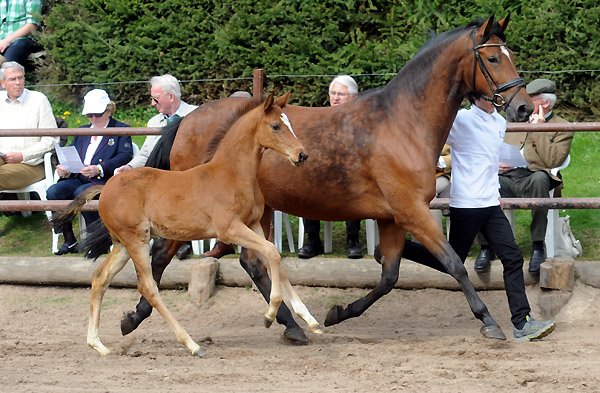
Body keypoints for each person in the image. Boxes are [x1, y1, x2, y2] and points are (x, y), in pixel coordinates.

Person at [402, 94, 556, 342]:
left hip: (491, 204)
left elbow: (490, 160)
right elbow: (430, 135)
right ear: (476, 96)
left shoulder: (498, 122)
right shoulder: (460, 119)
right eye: (488, 94)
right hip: (466, 205)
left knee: (513, 257)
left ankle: (521, 323)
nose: (495, 98)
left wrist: (496, 192)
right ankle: (400, 247)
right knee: (450, 261)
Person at [474, 78, 574, 274]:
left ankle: (538, 245)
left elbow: (552, 161)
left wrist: (538, 129)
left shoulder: (562, 126)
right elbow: (494, 150)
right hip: (508, 176)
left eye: (530, 98)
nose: (524, 102)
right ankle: (486, 246)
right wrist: (495, 166)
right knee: (482, 182)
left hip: (535, 177)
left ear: (545, 103)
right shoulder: (513, 120)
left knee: (539, 179)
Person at [114, 74, 198, 259]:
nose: (152, 103)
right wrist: (129, 167)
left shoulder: (196, 116)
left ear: (171, 97)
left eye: (155, 98)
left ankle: (176, 241)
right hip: (160, 180)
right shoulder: (154, 122)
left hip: (188, 179)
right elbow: (145, 153)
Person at [47, 89, 133, 255]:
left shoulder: (121, 129)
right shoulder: (82, 130)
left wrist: (100, 168)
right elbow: (73, 152)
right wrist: (64, 168)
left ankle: (98, 239)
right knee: (54, 191)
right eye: (90, 115)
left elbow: (126, 154)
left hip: (104, 180)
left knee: (83, 193)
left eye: (97, 114)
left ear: (108, 110)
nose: (93, 118)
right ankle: (69, 238)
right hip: (79, 176)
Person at [297, 75, 363, 259]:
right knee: (307, 186)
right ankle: (313, 241)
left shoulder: (360, 120)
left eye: (341, 94)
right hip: (323, 173)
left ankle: (353, 241)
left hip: (352, 173)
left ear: (353, 98)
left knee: (352, 184)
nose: (335, 98)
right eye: (333, 93)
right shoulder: (320, 118)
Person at [1, 61, 57, 193]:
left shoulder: (39, 100)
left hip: (31, 164)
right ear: (2, 83)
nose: (18, 82)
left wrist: (22, 155)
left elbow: (52, 140)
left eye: (20, 78)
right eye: (12, 79)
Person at [0, 0, 42, 68]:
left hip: (24, 39)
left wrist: (7, 40)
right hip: (2, 40)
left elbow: (32, 25)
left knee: (7, 66)